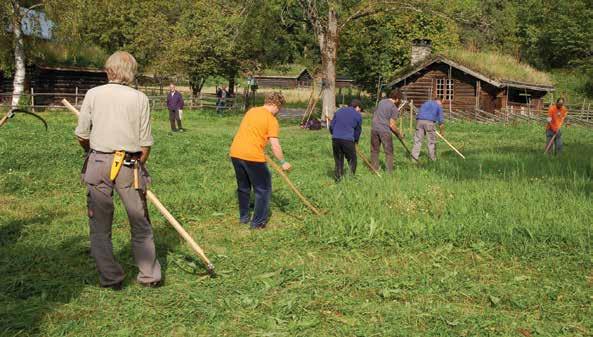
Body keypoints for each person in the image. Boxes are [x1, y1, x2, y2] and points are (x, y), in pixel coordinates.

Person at [75, 51, 161, 290]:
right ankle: (149, 277)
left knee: (99, 227)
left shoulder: (93, 94)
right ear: (131, 72)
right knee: (140, 223)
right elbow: (145, 144)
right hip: (129, 166)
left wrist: (93, 148)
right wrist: (140, 166)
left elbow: (82, 134)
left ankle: (111, 278)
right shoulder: (139, 98)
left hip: (99, 163)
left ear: (108, 70)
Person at [229, 92, 292, 229]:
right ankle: (258, 223)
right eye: (279, 108)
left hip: (236, 152)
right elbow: (275, 145)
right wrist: (283, 162)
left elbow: (252, 132)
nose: (278, 112)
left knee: (244, 187)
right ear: (276, 105)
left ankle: (244, 217)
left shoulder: (252, 111)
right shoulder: (271, 120)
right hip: (253, 156)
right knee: (263, 189)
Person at [371, 89, 403, 172]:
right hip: (384, 131)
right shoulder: (394, 108)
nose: (399, 101)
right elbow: (392, 125)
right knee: (389, 152)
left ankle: (375, 169)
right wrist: (399, 134)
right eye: (400, 99)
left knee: (374, 150)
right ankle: (389, 172)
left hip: (374, 128)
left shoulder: (381, 102)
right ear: (397, 98)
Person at [330, 99, 363, 181]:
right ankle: (351, 178)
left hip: (335, 139)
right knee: (352, 159)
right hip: (348, 140)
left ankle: (338, 179)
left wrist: (335, 134)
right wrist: (355, 141)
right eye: (360, 109)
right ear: (357, 107)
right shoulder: (357, 115)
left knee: (338, 160)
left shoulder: (339, 111)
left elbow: (331, 126)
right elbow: (358, 131)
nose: (360, 111)